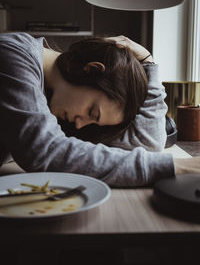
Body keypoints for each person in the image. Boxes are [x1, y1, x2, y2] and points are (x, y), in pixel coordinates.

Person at [0, 32, 199, 187]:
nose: (79, 124)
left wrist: (148, 64)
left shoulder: (51, 98)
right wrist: (174, 166)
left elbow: (149, 145)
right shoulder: (12, 55)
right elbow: (44, 151)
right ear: (91, 70)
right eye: (92, 113)